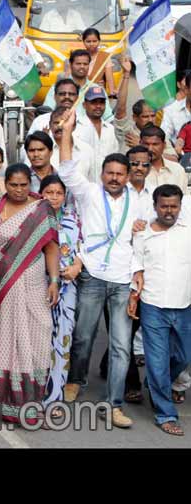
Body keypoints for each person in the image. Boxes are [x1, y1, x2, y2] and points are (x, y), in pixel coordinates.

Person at [58, 109, 146, 428]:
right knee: (83, 336)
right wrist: (67, 131)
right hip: (92, 274)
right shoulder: (90, 194)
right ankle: (76, 380)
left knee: (122, 346)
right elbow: (67, 169)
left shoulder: (138, 202)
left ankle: (114, 404)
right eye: (109, 173)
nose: (114, 178)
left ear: (127, 176)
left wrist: (137, 274)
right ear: (102, 174)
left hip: (122, 280)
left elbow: (140, 242)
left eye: (119, 174)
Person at [0, 163, 59, 424]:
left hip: (34, 284)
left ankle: (31, 402)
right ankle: (4, 403)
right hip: (0, 285)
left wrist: (54, 280)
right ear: (5, 184)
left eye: (24, 185)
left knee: (38, 335)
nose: (19, 190)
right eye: (13, 185)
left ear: (31, 185)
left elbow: (51, 248)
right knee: (2, 340)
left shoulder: (41, 209)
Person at [130, 184, 191, 437]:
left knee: (184, 356)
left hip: (185, 304)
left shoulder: (187, 230)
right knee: (156, 360)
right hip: (153, 305)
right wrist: (134, 294)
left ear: (180, 206)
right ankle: (165, 414)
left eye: (173, 206)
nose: (169, 211)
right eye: (164, 206)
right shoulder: (142, 233)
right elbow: (136, 265)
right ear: (155, 206)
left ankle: (158, 383)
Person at [38, 175, 83, 406]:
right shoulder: (33, 218)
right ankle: (33, 394)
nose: (53, 197)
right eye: (49, 192)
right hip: (39, 286)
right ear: (41, 193)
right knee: (39, 340)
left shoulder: (74, 219)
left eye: (58, 193)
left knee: (62, 339)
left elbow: (85, 247)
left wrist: (77, 265)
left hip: (67, 289)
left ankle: (54, 398)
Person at [141, 125, 189, 195]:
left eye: (155, 144)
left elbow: (184, 200)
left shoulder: (178, 170)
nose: (150, 149)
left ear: (164, 145)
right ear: (140, 143)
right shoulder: (135, 171)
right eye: (146, 144)